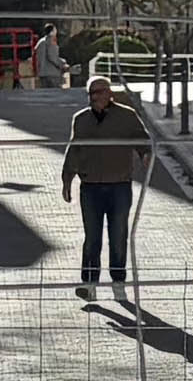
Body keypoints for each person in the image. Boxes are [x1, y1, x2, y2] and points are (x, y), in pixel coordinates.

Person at [62, 70, 152, 297]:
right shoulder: (81, 119)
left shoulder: (127, 116)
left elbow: (142, 139)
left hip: (119, 185)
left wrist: (145, 154)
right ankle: (89, 283)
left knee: (118, 235)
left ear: (109, 93)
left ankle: (118, 281)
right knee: (92, 238)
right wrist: (67, 180)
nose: (94, 97)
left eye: (99, 92)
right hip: (90, 186)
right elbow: (74, 150)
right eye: (91, 93)